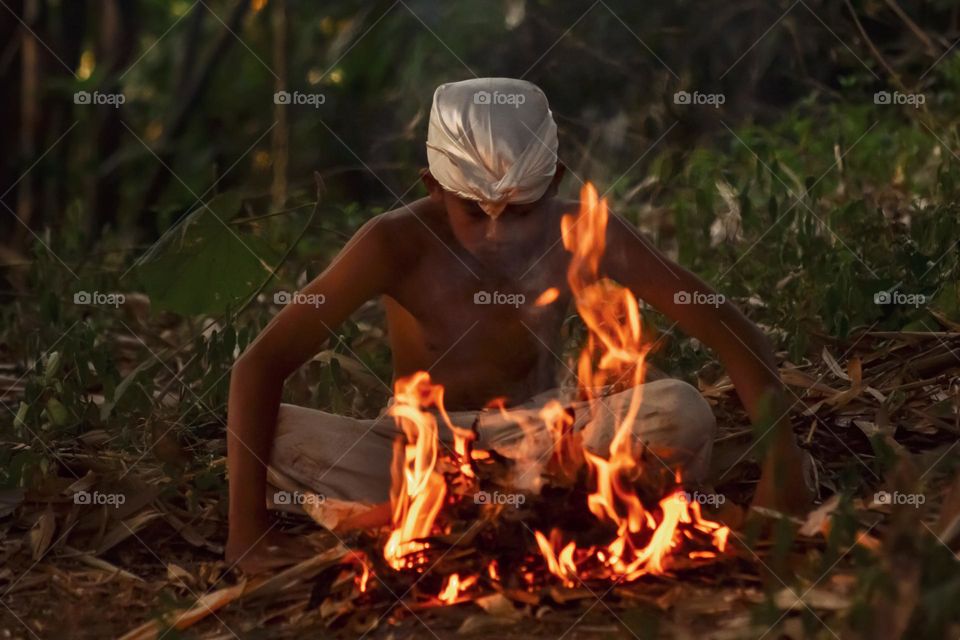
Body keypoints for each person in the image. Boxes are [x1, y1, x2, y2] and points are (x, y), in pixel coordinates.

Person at [225, 77, 811, 573]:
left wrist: (781, 461)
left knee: (680, 411)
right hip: (418, 452)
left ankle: (494, 515)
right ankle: (505, 513)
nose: (497, 233)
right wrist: (244, 531)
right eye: (474, 212)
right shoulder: (391, 241)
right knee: (272, 435)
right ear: (434, 186)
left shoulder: (581, 227)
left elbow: (717, 316)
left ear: (554, 181)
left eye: (521, 212)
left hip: (544, 442)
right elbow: (260, 366)